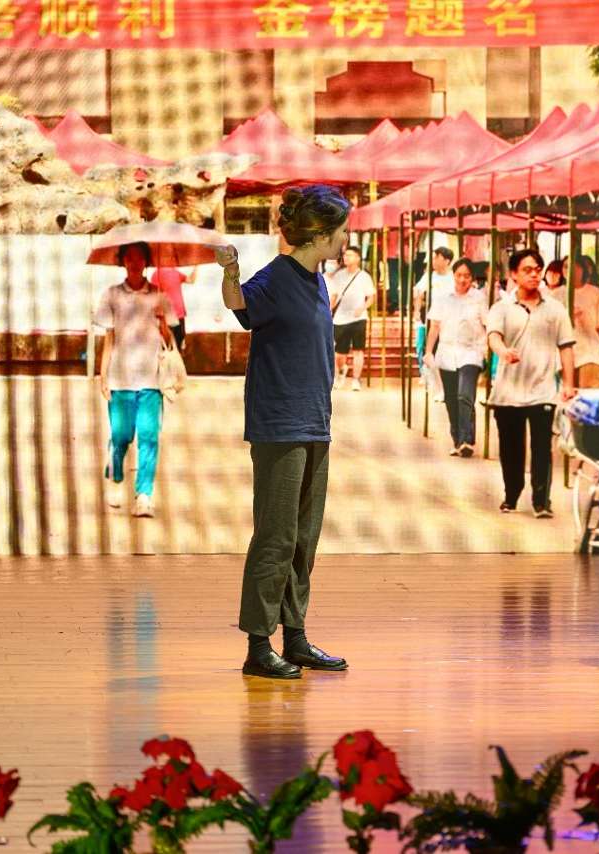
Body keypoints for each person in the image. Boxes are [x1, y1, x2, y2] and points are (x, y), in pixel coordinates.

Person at [219, 184, 350, 681]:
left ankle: (294, 636)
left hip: (315, 423)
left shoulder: (317, 280)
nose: (346, 239)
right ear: (321, 234)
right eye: (342, 231)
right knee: (275, 535)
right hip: (279, 425)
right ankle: (259, 644)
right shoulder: (277, 276)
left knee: (304, 537)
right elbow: (241, 306)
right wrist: (230, 271)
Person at [486, 248, 576, 517]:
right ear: (513, 274)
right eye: (527, 270)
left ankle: (541, 501)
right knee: (511, 448)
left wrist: (568, 384)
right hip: (508, 392)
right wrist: (503, 352)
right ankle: (511, 495)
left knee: (542, 448)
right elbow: (493, 336)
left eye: (538, 270)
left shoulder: (556, 309)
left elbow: (566, 346)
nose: (534, 275)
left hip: (543, 390)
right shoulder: (501, 308)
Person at [94, 242, 178, 519]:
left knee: (149, 437)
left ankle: (144, 496)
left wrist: (162, 321)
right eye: (129, 257)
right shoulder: (111, 295)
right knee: (120, 436)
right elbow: (108, 338)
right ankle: (115, 476)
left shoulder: (159, 296)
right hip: (120, 380)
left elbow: (169, 340)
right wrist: (102, 375)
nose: (134, 262)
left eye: (139, 257)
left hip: (151, 381)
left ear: (146, 262)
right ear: (122, 261)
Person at [424, 259, 488, 457]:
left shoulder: (479, 298)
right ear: (454, 276)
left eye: (466, 276)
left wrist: (487, 348)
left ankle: (467, 439)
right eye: (459, 275)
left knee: (465, 395)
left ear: (472, 278)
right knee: (451, 399)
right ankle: (458, 440)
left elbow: (487, 325)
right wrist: (428, 351)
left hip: (471, 352)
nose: (462, 280)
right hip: (446, 353)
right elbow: (435, 326)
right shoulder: (443, 297)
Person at [549, 258, 599, 388]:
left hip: (590, 349)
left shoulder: (595, 292)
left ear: (582, 269)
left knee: (589, 389)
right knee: (568, 390)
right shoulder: (556, 295)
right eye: (565, 266)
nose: (569, 270)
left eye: (574, 266)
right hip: (564, 349)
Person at [329, 245, 376, 391]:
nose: (346, 257)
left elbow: (371, 297)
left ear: (357, 258)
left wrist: (362, 308)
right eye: (345, 255)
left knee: (358, 350)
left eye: (350, 255)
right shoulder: (338, 275)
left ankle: (356, 379)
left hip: (358, 317)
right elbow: (334, 296)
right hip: (340, 318)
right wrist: (328, 310)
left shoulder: (364, 276)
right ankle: (342, 369)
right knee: (339, 353)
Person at [413, 246, 454, 400]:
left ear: (447, 261)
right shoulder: (430, 276)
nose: (434, 261)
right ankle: (439, 388)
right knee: (431, 353)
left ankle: (447, 387)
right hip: (434, 319)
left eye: (437, 258)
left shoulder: (453, 277)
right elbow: (418, 292)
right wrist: (417, 310)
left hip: (450, 320)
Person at [151, 265, 196, 350]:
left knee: (180, 339)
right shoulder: (156, 274)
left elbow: (191, 280)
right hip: (168, 315)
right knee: (168, 344)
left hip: (180, 313)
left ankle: (177, 356)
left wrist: (196, 265)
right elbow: (153, 294)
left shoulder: (175, 272)